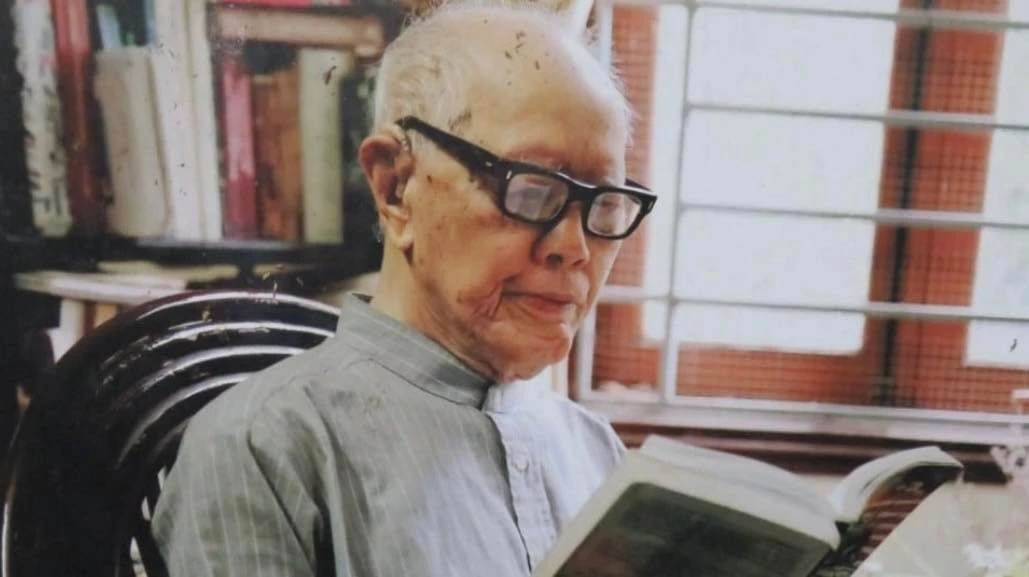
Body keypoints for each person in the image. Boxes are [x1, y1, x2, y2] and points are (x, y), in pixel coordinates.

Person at [151, 2, 656, 576]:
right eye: (531, 190)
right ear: (395, 186)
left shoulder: (599, 456)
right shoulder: (263, 447)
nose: (576, 247)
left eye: (605, 204)